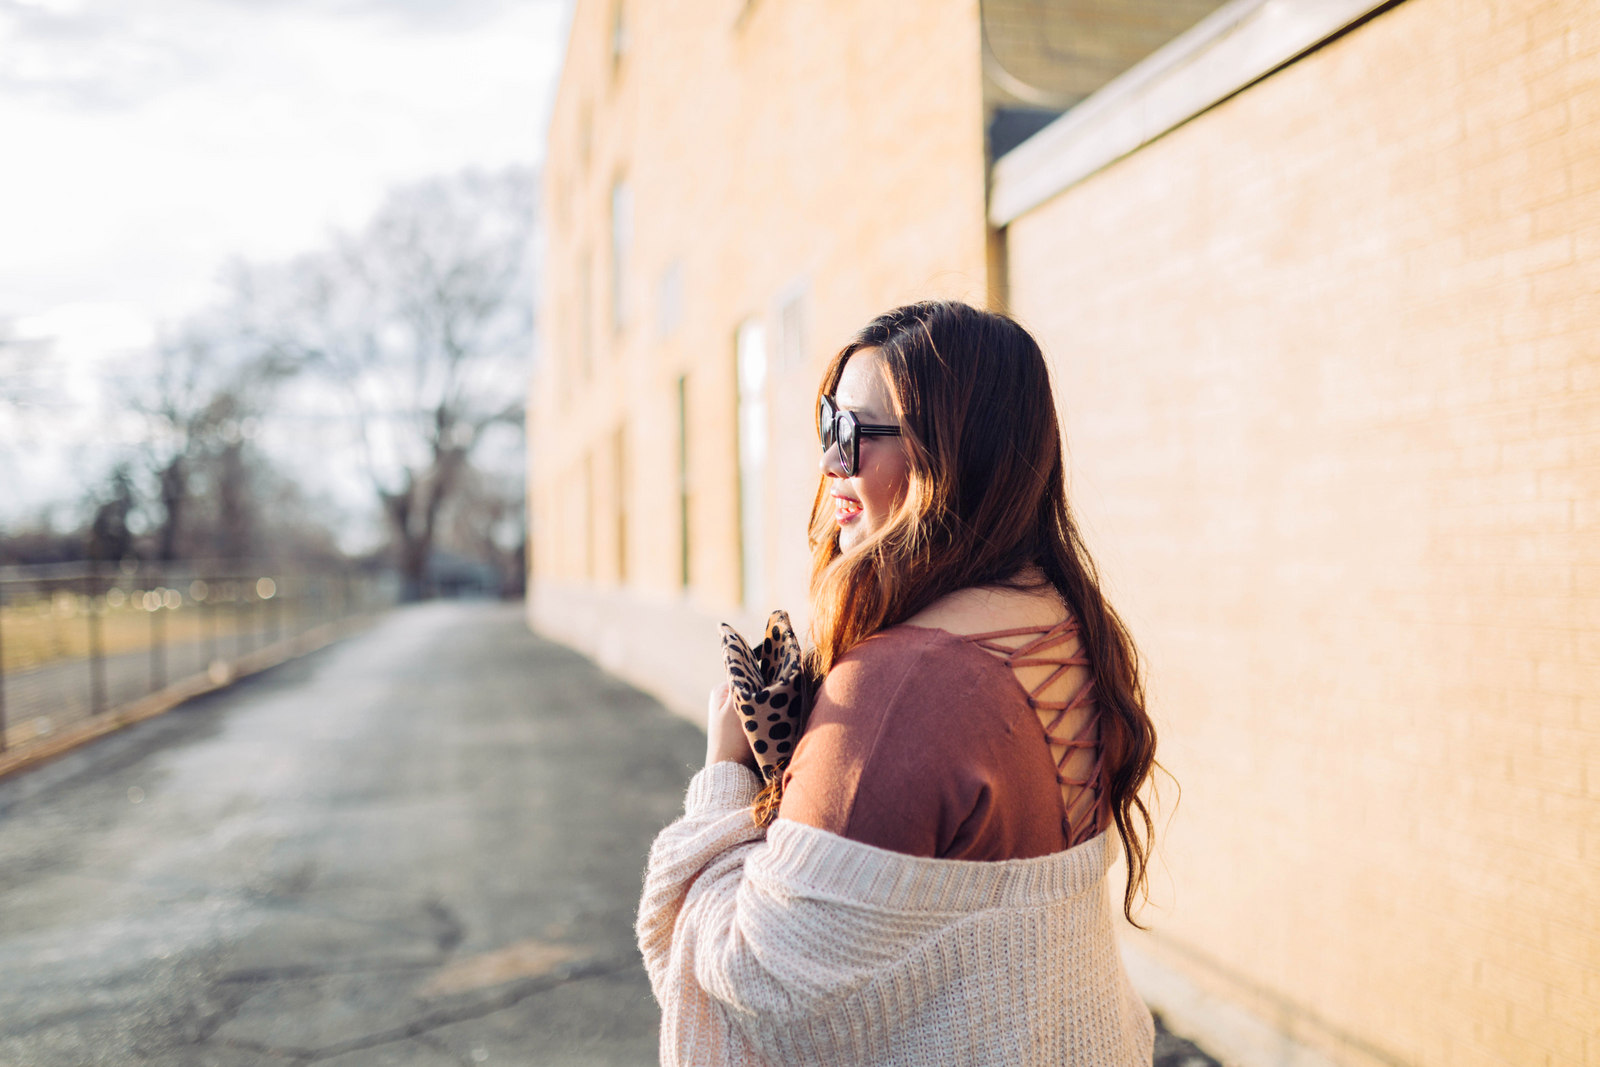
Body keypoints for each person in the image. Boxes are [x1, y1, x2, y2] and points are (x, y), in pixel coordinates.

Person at [637, 301, 1162, 1066]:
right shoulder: (1068, 623)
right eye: (827, 426)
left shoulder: (897, 686)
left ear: (954, 453)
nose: (830, 463)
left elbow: (753, 988)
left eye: (853, 433)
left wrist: (724, 777)